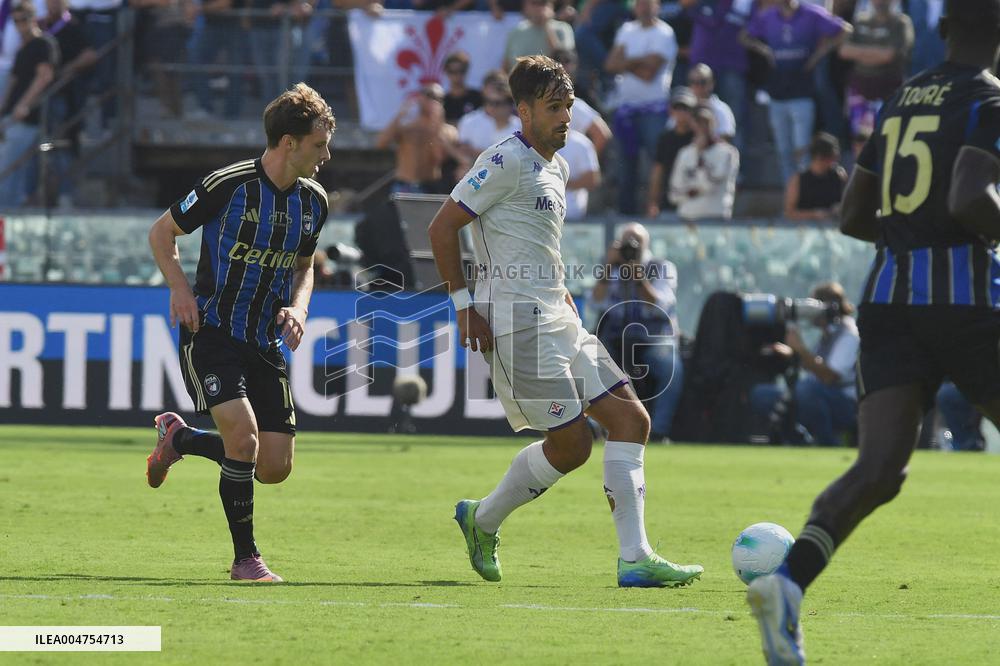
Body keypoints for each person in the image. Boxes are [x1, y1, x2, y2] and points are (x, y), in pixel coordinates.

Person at [746, 2, 1000, 662]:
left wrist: (908, 239)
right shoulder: (987, 97)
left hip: (888, 296)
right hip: (964, 299)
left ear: (943, 29)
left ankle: (788, 583)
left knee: (880, 468)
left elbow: (855, 212)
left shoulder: (902, 98)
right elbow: (970, 197)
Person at [428, 55, 703, 587]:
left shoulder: (557, 165)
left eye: (570, 107)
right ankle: (482, 519)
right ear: (524, 111)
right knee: (572, 446)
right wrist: (466, 307)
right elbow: (442, 228)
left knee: (632, 421)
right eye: (554, 108)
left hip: (560, 315)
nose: (565, 118)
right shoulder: (503, 160)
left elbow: (536, 245)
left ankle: (635, 557)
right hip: (516, 324)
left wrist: (566, 300)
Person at [146, 83, 334, 583]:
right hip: (209, 328)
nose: (327, 155)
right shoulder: (227, 185)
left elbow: (304, 266)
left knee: (274, 467)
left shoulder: (315, 201)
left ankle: (179, 439)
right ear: (289, 142)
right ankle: (245, 560)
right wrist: (180, 290)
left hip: (263, 340)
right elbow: (161, 233)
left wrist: (298, 305)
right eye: (319, 144)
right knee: (243, 436)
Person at [590, 223, 683, 442]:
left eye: (636, 243)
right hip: (616, 335)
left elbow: (659, 305)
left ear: (646, 245)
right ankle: (595, 426)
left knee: (671, 369)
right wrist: (609, 267)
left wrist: (638, 276)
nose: (631, 248)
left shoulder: (661, 267)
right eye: (627, 242)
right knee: (592, 366)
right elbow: (595, 303)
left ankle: (659, 431)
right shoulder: (610, 267)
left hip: (653, 336)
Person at [741, 0, 851, 183]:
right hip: (777, 92)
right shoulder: (768, 16)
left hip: (802, 91)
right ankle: (790, 196)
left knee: (802, 148)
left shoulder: (811, 13)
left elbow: (845, 30)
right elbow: (744, 36)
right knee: (783, 150)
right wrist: (766, 51)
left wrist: (819, 53)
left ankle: (806, 193)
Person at [749, 282, 859, 447]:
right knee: (762, 394)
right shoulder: (826, 335)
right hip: (815, 396)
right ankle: (796, 442)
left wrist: (799, 349)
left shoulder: (848, 334)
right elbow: (813, 364)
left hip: (844, 404)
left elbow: (829, 376)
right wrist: (791, 353)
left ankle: (827, 444)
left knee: (806, 388)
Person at [604, 0, 678, 214]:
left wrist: (625, 62)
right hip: (626, 110)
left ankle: (659, 211)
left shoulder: (664, 33)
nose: (644, 8)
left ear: (657, 6)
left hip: (654, 111)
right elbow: (610, 65)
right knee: (626, 167)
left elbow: (649, 74)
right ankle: (626, 213)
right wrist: (639, 61)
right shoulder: (627, 30)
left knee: (658, 164)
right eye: (640, 4)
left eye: (648, 4)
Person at [0, 0, 57, 207]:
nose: (19, 25)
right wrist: (4, 107)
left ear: (33, 19)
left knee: (9, 170)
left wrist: (23, 105)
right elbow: (14, 80)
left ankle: (7, 214)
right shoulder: (22, 48)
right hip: (11, 115)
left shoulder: (44, 44)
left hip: (27, 117)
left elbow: (44, 76)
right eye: (15, 21)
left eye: (23, 20)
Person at [838, 0, 914, 144]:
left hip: (889, 90)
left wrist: (860, 53)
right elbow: (844, 51)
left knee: (888, 137)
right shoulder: (860, 21)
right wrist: (875, 53)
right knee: (860, 138)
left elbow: (890, 55)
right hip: (860, 89)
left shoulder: (900, 23)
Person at [376, 83, 459, 195]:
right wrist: (399, 115)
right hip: (404, 184)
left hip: (430, 186)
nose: (433, 101)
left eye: (438, 98)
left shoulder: (448, 131)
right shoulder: (408, 127)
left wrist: (437, 124)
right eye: (429, 96)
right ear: (420, 98)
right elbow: (381, 144)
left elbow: (438, 158)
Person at [668, 105, 739, 221]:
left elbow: (710, 185)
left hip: (715, 216)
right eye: (698, 122)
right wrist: (694, 191)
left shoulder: (727, 153)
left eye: (706, 122)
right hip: (687, 216)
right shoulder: (685, 153)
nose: (702, 127)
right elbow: (674, 193)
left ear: (714, 123)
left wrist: (700, 156)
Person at [646, 86, 695, 217]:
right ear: (670, 110)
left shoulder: (699, 138)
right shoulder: (665, 139)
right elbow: (658, 171)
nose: (681, 112)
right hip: (668, 204)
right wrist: (653, 202)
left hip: (695, 205)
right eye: (677, 107)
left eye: (685, 108)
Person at [783, 132, 847, 221]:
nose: (835, 162)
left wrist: (839, 208)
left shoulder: (839, 176)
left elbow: (849, 206)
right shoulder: (798, 180)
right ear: (819, 157)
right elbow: (789, 213)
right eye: (832, 158)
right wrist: (813, 214)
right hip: (803, 229)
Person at [503, 0, 575, 72]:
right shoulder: (516, 31)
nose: (539, 8)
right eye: (534, 3)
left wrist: (546, 25)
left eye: (543, 3)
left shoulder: (563, 28)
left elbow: (564, 61)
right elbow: (507, 64)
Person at [557, 127, 601, 219]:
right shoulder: (537, 141)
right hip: (542, 215)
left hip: (572, 214)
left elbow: (592, 180)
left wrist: (560, 183)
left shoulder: (582, 144)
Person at [687, 63, 735, 141]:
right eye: (694, 82)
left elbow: (725, 140)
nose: (698, 86)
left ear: (712, 83)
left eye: (703, 82)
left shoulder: (722, 109)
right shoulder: (683, 107)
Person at [442, 51, 483, 123]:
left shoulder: (478, 97)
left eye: (461, 71)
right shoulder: (442, 101)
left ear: (466, 71)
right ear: (446, 72)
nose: (457, 75)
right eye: (453, 71)